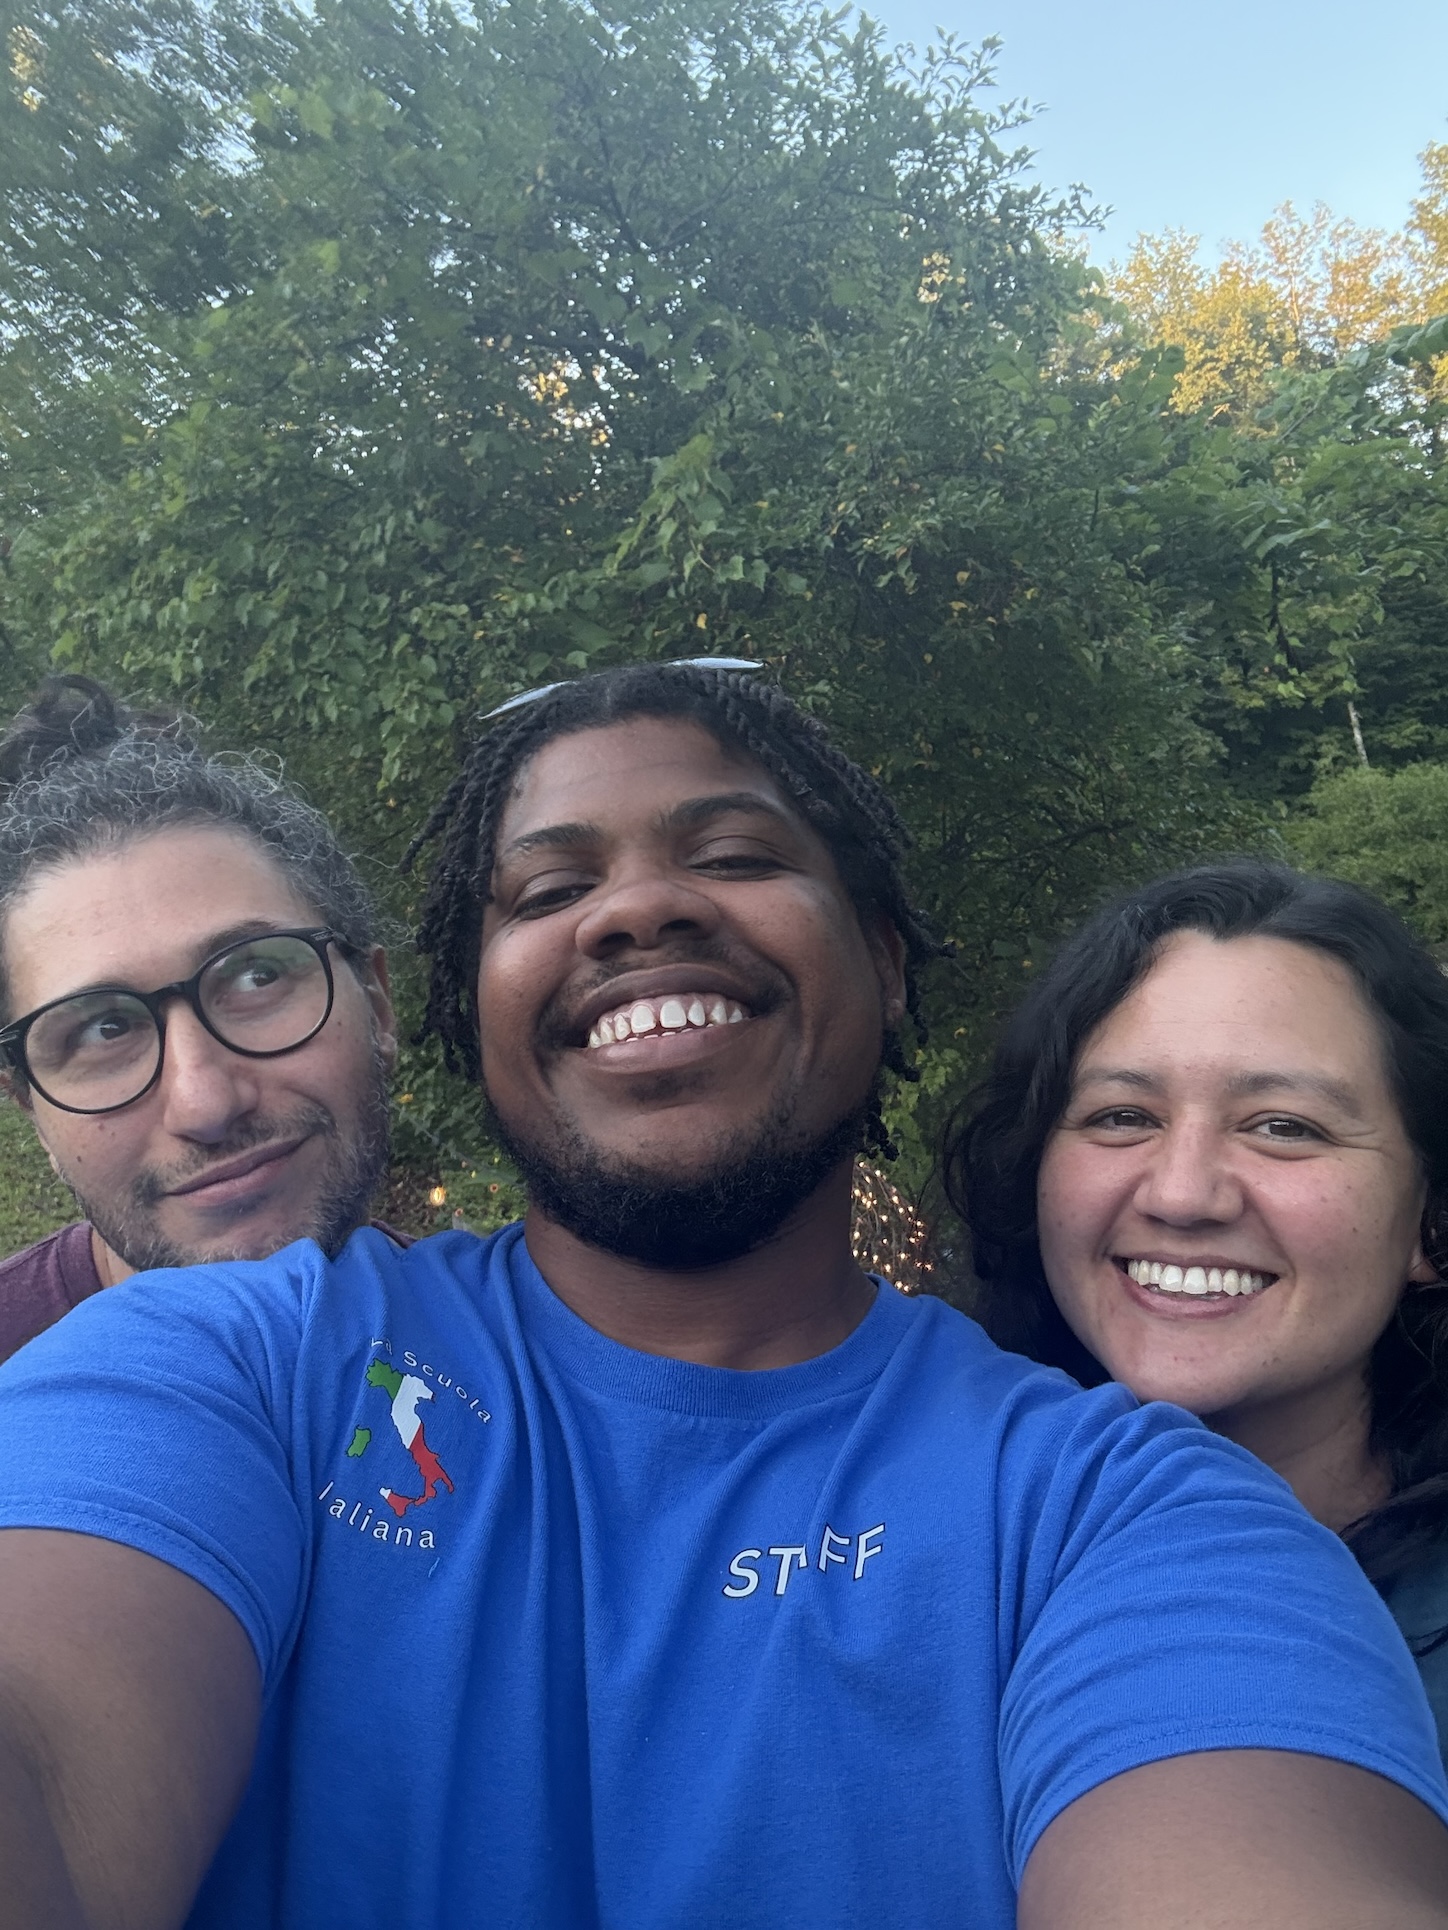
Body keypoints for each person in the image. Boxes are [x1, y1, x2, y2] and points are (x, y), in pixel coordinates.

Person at [0, 668, 1446, 1930]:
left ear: (882, 957)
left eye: (738, 852)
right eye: (552, 889)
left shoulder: (1137, 1510)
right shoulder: (234, 1364)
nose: (637, 907)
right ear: (463, 1006)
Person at [945, 858, 1448, 1763]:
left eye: (1284, 1126)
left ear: (1430, 1219)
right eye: (1122, 1116)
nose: (1183, 1194)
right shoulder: (923, 1565)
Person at [0, 674, 400, 1361]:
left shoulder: (515, 1362)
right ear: (28, 1105)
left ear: (377, 1003)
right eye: (103, 1029)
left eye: (257, 976)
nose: (206, 1102)